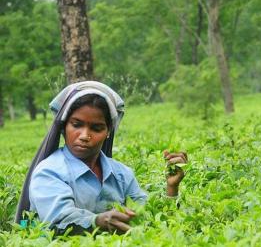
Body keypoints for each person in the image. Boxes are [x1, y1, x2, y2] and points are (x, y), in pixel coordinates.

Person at [22, 81, 187, 234]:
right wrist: (97, 221)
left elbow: (148, 217)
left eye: (96, 128)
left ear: (108, 132)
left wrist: (172, 188)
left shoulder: (121, 174)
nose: (84, 136)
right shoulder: (49, 171)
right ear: (64, 126)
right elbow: (59, 221)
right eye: (76, 124)